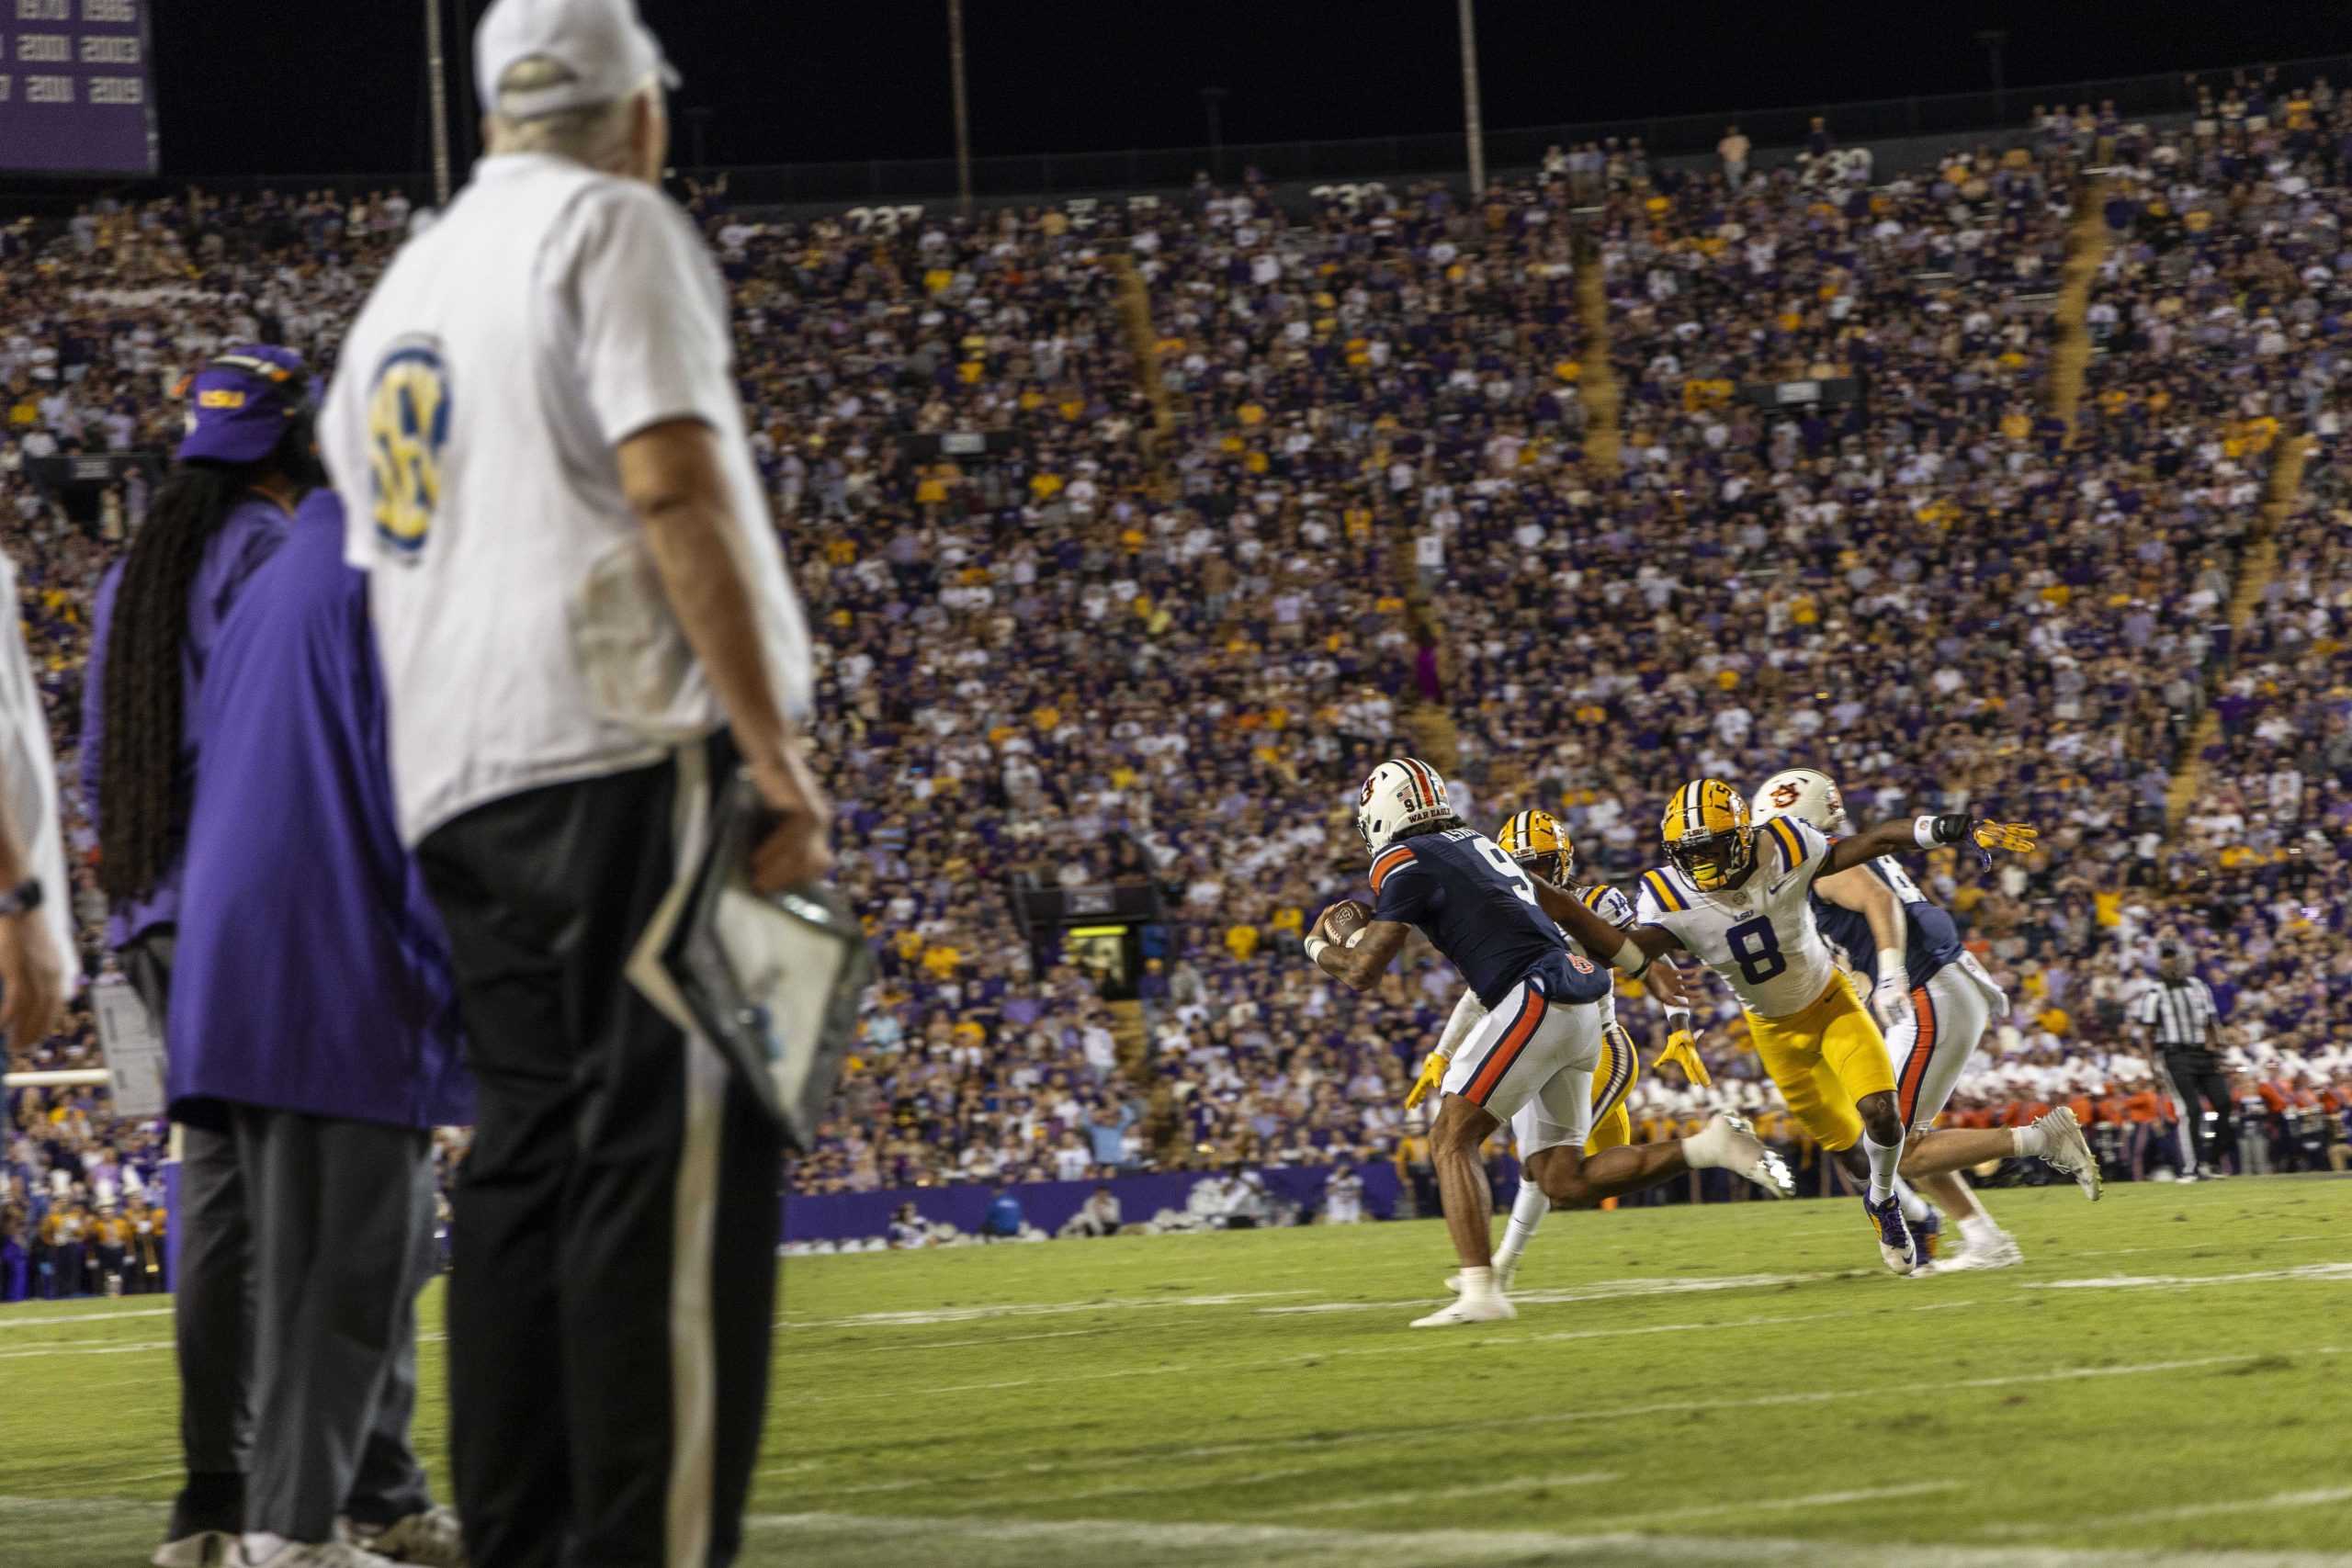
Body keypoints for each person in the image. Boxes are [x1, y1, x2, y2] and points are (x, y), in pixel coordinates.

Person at [319, 4, 828, 1562]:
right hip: (618, 745)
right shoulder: (615, 226)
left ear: (490, 120)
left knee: (528, 1167)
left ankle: (526, 1536)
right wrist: (772, 748)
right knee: (672, 1160)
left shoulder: (404, 284)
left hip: (463, 780)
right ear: (641, 116)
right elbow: (668, 475)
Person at [168, 488, 473, 1568]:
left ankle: (311, 1518)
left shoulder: (273, 582)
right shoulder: (396, 581)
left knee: (320, 1267)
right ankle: (295, 1536)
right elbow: (436, 807)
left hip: (240, 965)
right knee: (354, 1267)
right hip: (338, 966)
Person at [83, 344, 316, 1567]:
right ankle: (305, 1493)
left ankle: (212, 1496)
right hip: (255, 909)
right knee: (316, 1196)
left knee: (218, 1194)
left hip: (156, 916)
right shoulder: (274, 552)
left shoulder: (136, 572)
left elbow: (95, 771)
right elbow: (293, 745)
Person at [1542, 780, 2091, 1278]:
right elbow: (1635, 951)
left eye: (1713, 847)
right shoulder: (1668, 896)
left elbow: (1874, 854)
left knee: (1893, 1128)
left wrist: (1945, 831)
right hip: (1793, 1023)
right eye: (1692, 853)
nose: (1704, 862)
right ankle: (1964, 1228)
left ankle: (1968, 1174)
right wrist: (1567, 930)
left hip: (1871, 996)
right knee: (1864, 1144)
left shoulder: (1790, 847)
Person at [1308, 759, 1790, 1327]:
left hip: (1534, 997)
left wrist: (1317, 945)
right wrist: (1637, 963)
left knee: (1448, 1138)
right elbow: (1564, 906)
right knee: (1562, 1178)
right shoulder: (1477, 844)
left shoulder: (1405, 858)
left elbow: (1364, 971)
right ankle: (1708, 1148)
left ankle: (1482, 1290)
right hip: (1579, 1003)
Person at [1755, 768, 2086, 1269]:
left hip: (1927, 987)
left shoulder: (1821, 861)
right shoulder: (1833, 856)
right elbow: (1856, 947)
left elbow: (1879, 901)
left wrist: (1889, 974)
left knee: (1896, 1145)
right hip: (1938, 984)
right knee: (1902, 1132)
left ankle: (2043, 1138)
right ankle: (1985, 1240)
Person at [1407, 808, 1713, 1294]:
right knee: (1569, 1177)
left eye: (1543, 865)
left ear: (1564, 863)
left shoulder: (1595, 902)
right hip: (1547, 1039)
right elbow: (1475, 995)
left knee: (1547, 1169)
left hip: (1599, 1041)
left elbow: (1650, 955)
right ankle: (1715, 1149)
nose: (1534, 876)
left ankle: (1499, 1268)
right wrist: (1441, 1054)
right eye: (1522, 865)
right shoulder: (1508, 913)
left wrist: (1680, 1025)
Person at [2133, 944, 2230, 1179]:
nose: (2170, 963)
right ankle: (2190, 1168)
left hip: (2203, 1054)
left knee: (2224, 1103)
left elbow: (2210, 1022)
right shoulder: (2155, 993)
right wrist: (2153, 1067)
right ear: (2160, 964)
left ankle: (2212, 1161)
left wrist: (2217, 1050)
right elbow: (2147, 1034)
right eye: (2165, 958)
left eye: (2173, 957)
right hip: (2175, 1056)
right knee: (2190, 1111)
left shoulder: (2199, 986)